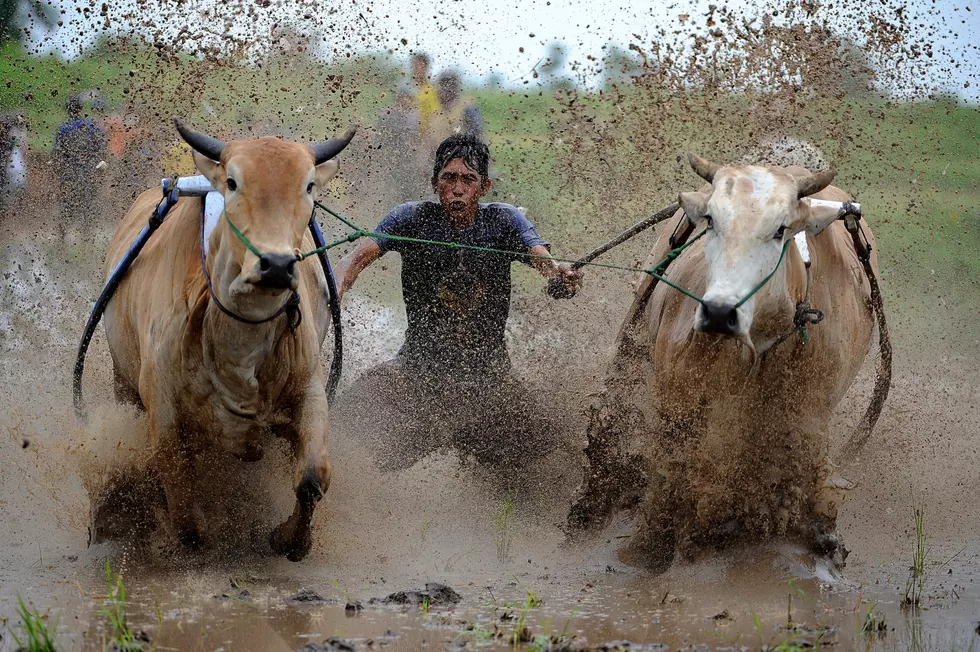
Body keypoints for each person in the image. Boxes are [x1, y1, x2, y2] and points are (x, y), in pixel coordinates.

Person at [333, 134, 582, 471]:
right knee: (337, 426)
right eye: (449, 178)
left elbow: (544, 261)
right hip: (415, 374)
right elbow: (359, 257)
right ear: (435, 182)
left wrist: (560, 277)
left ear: (485, 187)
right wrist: (335, 288)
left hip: (490, 382)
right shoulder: (411, 218)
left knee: (553, 461)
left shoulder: (505, 221)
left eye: (469, 179)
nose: (458, 188)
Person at [52, 95, 108, 237]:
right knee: (88, 208)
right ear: (81, 109)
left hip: (69, 175)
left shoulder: (63, 130)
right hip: (89, 174)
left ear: (68, 110)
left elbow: (57, 155)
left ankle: (61, 243)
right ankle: (87, 241)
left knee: (66, 208)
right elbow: (101, 152)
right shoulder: (92, 127)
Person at [410, 53, 440, 136]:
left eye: (421, 67)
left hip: (422, 134)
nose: (418, 70)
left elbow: (434, 115)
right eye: (416, 66)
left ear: (426, 69)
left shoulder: (431, 91)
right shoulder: (405, 88)